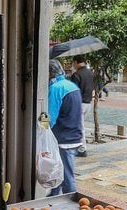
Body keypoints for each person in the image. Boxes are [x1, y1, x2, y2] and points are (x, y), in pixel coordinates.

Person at [47, 59, 83, 196]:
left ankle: (74, 208)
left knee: (68, 178)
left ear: (50, 74)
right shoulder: (71, 86)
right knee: (60, 172)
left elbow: (50, 119)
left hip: (63, 139)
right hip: (74, 135)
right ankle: (53, 197)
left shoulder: (55, 89)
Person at [68, 55, 94, 157]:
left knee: (80, 126)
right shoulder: (90, 73)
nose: (73, 65)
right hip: (88, 103)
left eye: (73, 63)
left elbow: (73, 91)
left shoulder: (77, 75)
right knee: (80, 125)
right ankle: (79, 146)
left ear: (76, 62)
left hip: (79, 104)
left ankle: (82, 149)